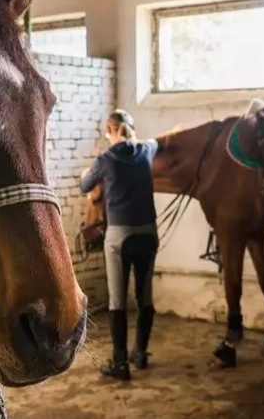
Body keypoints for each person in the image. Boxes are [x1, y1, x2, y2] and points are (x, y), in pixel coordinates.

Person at [79, 109, 159, 381]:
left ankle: (120, 363)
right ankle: (141, 353)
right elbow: (156, 142)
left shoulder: (106, 159)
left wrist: (84, 173)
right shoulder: (146, 151)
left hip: (119, 237)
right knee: (145, 296)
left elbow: (84, 185)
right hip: (148, 233)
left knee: (117, 300)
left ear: (112, 131)